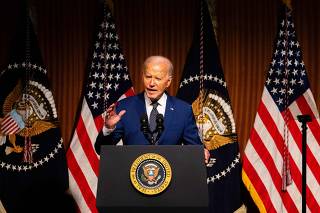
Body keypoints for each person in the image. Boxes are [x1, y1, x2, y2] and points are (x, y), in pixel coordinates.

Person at [94, 56, 210, 163]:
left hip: (171, 180)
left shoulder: (183, 110)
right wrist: (108, 128)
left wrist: (201, 153)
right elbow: (101, 150)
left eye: (158, 78)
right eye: (148, 77)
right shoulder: (125, 107)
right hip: (133, 178)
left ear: (168, 82)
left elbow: (194, 148)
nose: (151, 83)